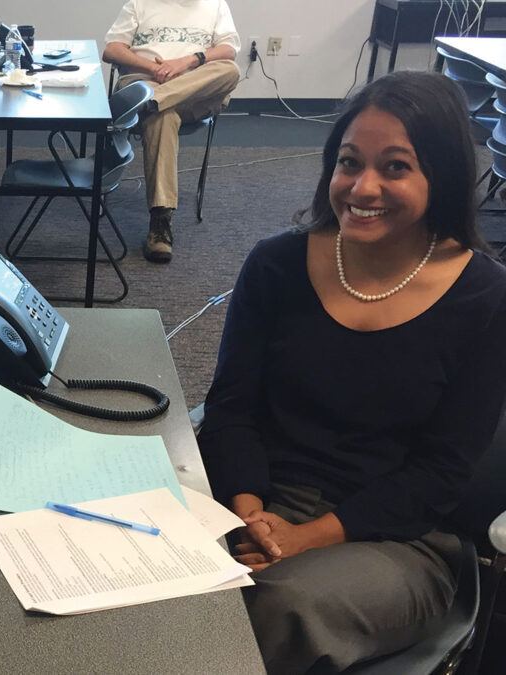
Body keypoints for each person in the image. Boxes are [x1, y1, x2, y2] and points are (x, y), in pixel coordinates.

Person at [197, 69, 506, 673]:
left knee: (273, 604)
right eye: (348, 162)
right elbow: (232, 408)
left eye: (395, 167)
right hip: (252, 500)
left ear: (439, 175)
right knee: (135, 556)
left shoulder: (487, 298)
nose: (363, 188)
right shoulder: (276, 264)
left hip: (398, 537)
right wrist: (252, 511)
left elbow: (439, 474)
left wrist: (301, 538)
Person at [102, 0, 241, 263]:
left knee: (229, 70)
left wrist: (187, 62)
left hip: (195, 88)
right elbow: (112, 50)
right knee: (162, 117)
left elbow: (228, 50)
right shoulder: (139, 4)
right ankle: (160, 223)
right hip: (144, 80)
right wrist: (155, 69)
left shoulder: (215, 5)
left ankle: (154, 101)